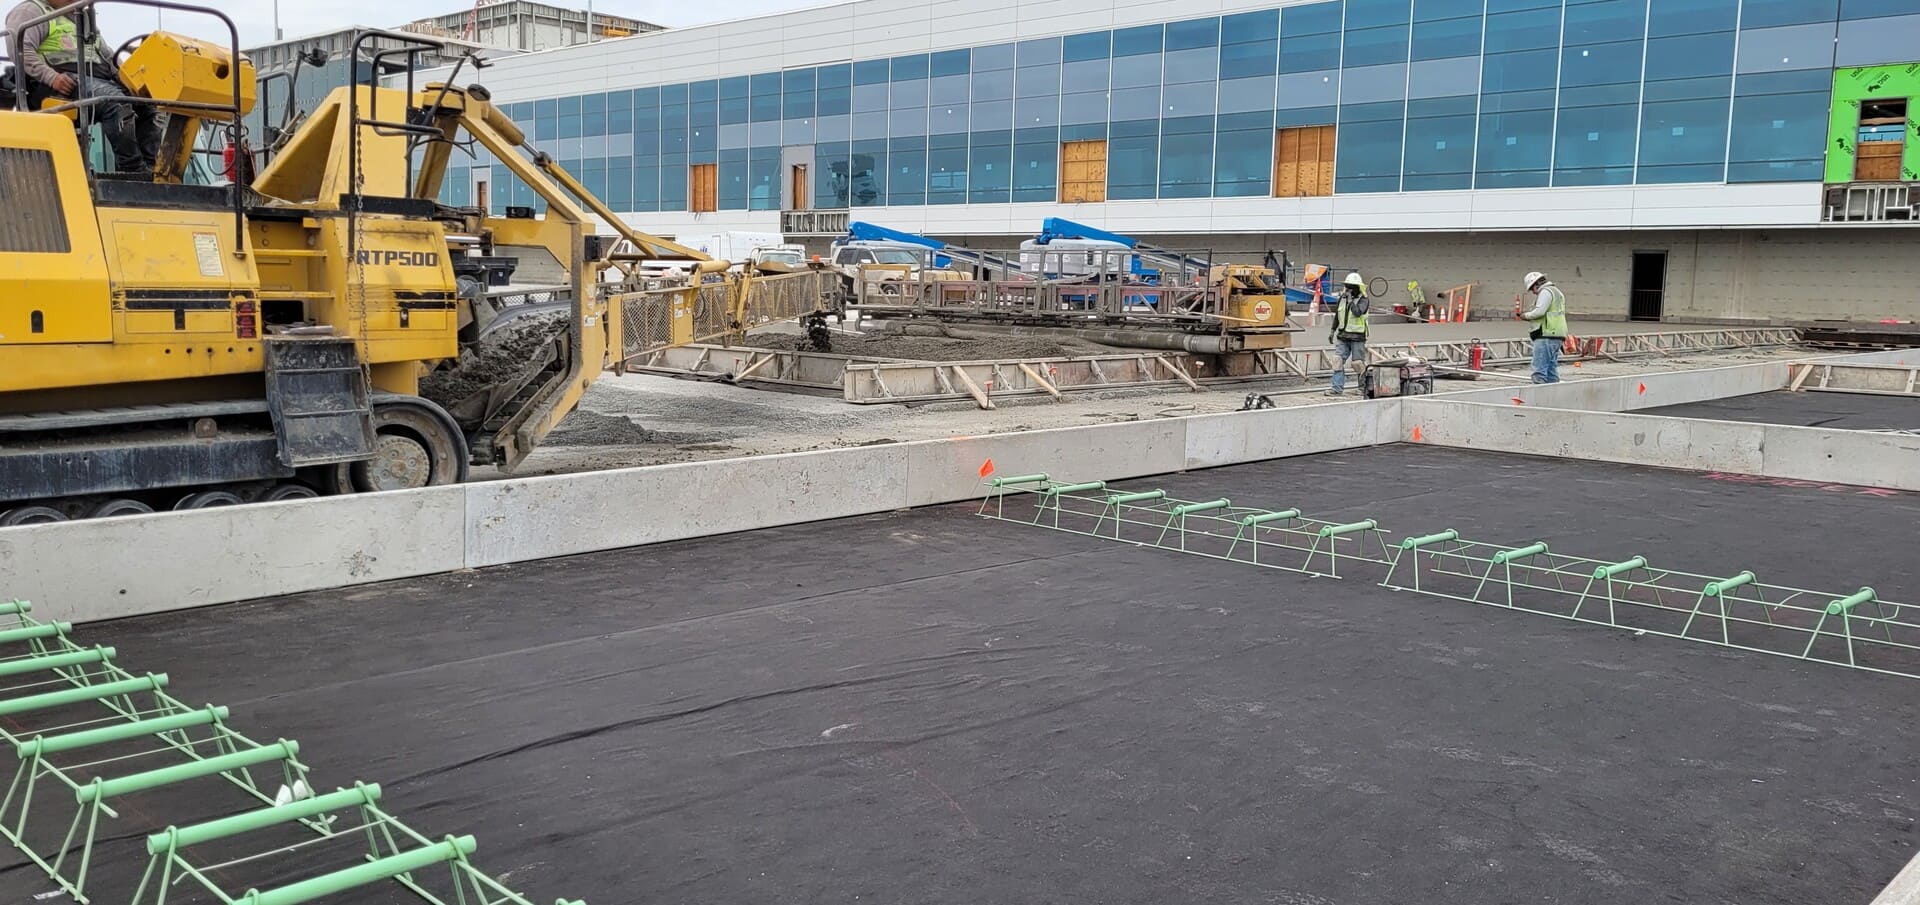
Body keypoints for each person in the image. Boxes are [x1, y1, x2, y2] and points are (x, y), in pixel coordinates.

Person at [5, 0, 159, 173]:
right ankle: (134, 170)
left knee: (147, 104)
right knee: (114, 102)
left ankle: (154, 171)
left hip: (94, 81)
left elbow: (107, 56)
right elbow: (20, 51)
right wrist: (52, 77)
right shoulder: (31, 11)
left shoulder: (82, 17)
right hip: (56, 84)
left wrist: (129, 81)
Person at [1519, 271, 1569, 384]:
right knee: (1551, 370)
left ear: (1536, 284)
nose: (1533, 292)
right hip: (1557, 335)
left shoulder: (1545, 292)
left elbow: (1539, 312)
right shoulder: (1557, 292)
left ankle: (1538, 397)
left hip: (1546, 334)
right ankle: (1552, 395)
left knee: (1539, 369)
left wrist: (1525, 315)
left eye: (1532, 289)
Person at [1325, 271, 1370, 396]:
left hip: (1358, 337)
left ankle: (1362, 388)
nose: (1348, 289)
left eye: (1351, 287)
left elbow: (1357, 312)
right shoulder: (1343, 299)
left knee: (1358, 364)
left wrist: (1351, 301)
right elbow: (1338, 316)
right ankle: (1336, 388)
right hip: (1343, 335)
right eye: (1347, 286)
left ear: (1357, 287)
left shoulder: (1363, 300)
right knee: (1337, 361)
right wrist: (1332, 331)